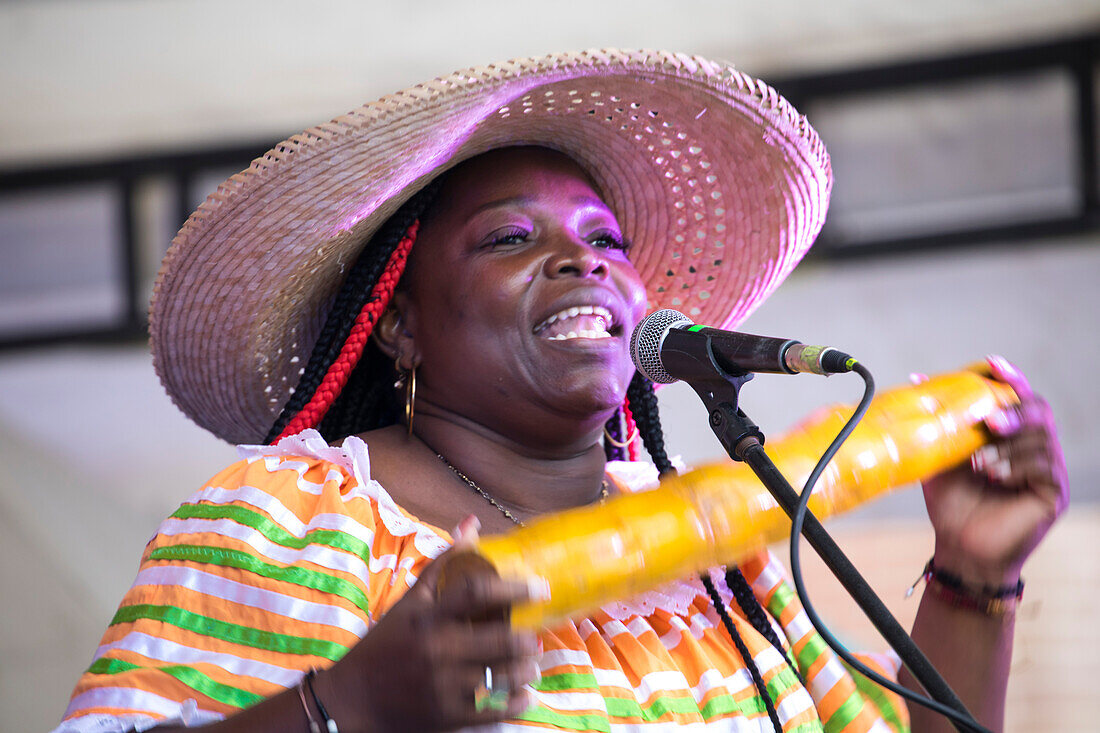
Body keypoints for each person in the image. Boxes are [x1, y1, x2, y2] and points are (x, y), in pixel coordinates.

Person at [55, 50, 1067, 733]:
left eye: (604, 242)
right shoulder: (288, 521)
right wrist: (344, 708)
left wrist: (973, 579)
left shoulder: (724, 558)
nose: (580, 264)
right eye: (508, 237)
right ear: (396, 322)